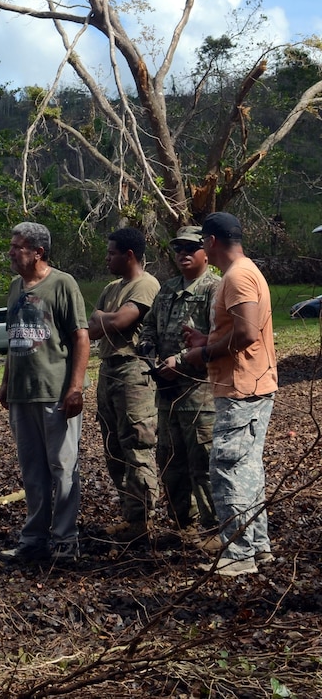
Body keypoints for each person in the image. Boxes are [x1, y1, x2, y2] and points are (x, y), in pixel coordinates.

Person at [183, 211, 276, 577]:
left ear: (211, 242)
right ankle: (258, 546)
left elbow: (248, 334)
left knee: (226, 469)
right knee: (247, 470)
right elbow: (240, 330)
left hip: (243, 387)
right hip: (247, 384)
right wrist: (208, 340)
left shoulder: (237, 277)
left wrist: (203, 353)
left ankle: (239, 554)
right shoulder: (243, 273)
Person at [0, 222, 90, 563]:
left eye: (18, 246)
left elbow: (81, 336)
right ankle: (34, 539)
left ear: (39, 252)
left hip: (55, 392)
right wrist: (7, 383)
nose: (11, 252)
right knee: (32, 471)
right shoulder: (14, 287)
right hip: (23, 394)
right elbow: (13, 338)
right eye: (12, 245)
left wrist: (75, 388)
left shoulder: (62, 284)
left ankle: (65, 541)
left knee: (63, 468)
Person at [138, 226, 220, 540]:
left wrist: (183, 359)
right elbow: (148, 330)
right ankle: (180, 526)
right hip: (167, 392)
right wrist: (151, 358)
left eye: (191, 248)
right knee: (170, 462)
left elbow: (219, 337)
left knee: (203, 464)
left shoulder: (215, 288)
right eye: (178, 249)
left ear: (206, 251)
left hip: (200, 393)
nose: (183, 254)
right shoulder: (168, 288)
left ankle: (214, 530)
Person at [87, 226, 161, 545]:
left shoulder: (146, 285)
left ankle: (145, 520)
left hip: (134, 372)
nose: (107, 258)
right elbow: (92, 329)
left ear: (129, 255)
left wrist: (105, 317)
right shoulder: (112, 287)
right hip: (108, 370)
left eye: (112, 253)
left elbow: (117, 322)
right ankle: (130, 517)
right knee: (113, 447)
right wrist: (106, 318)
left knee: (137, 443)